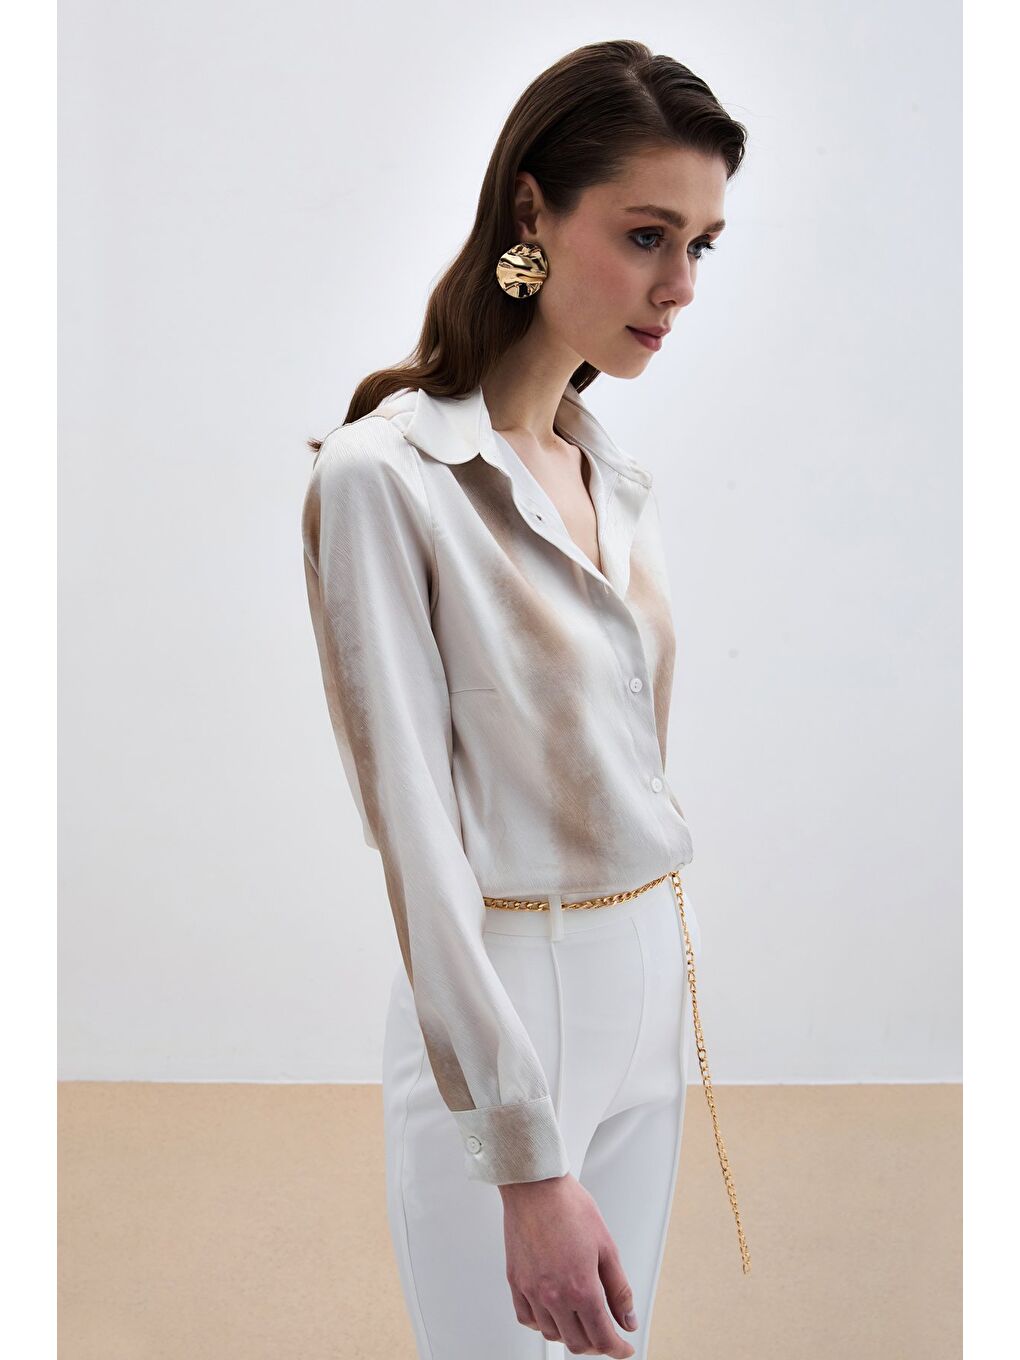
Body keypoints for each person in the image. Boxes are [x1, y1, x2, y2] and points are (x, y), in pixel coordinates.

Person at [301, 38, 751, 1360]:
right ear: (531, 214)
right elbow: (417, 839)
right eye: (646, 235)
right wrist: (523, 1159)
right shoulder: (386, 481)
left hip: (652, 977)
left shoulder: (612, 478)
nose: (678, 286)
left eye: (701, 246)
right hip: (509, 996)